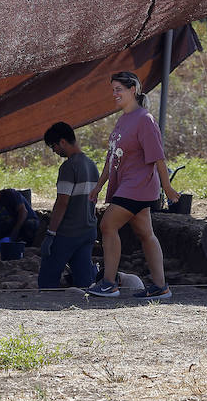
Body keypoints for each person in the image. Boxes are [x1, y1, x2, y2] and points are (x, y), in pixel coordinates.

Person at [88, 70, 178, 300]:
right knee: (145, 233)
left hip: (138, 186)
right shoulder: (123, 120)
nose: (114, 94)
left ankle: (109, 283)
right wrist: (98, 187)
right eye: (113, 90)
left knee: (108, 224)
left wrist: (167, 188)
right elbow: (112, 158)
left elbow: (158, 156)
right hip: (126, 185)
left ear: (133, 90)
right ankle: (160, 286)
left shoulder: (144, 120)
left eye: (119, 89)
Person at [38, 121, 99, 290]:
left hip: (68, 232)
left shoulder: (69, 167)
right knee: (84, 281)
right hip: (87, 230)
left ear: (62, 142)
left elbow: (62, 202)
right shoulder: (92, 165)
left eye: (54, 146)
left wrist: (51, 233)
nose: (54, 151)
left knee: (47, 281)